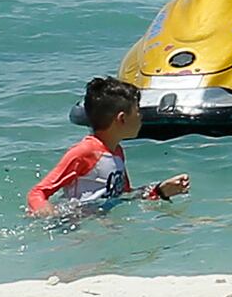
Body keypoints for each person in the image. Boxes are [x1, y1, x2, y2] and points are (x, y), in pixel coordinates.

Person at [29, 80, 192, 222]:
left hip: (101, 224)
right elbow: (38, 193)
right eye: (137, 111)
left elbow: (124, 196)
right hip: (76, 228)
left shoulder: (117, 152)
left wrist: (160, 190)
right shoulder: (85, 152)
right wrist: (49, 216)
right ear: (121, 118)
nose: (141, 116)